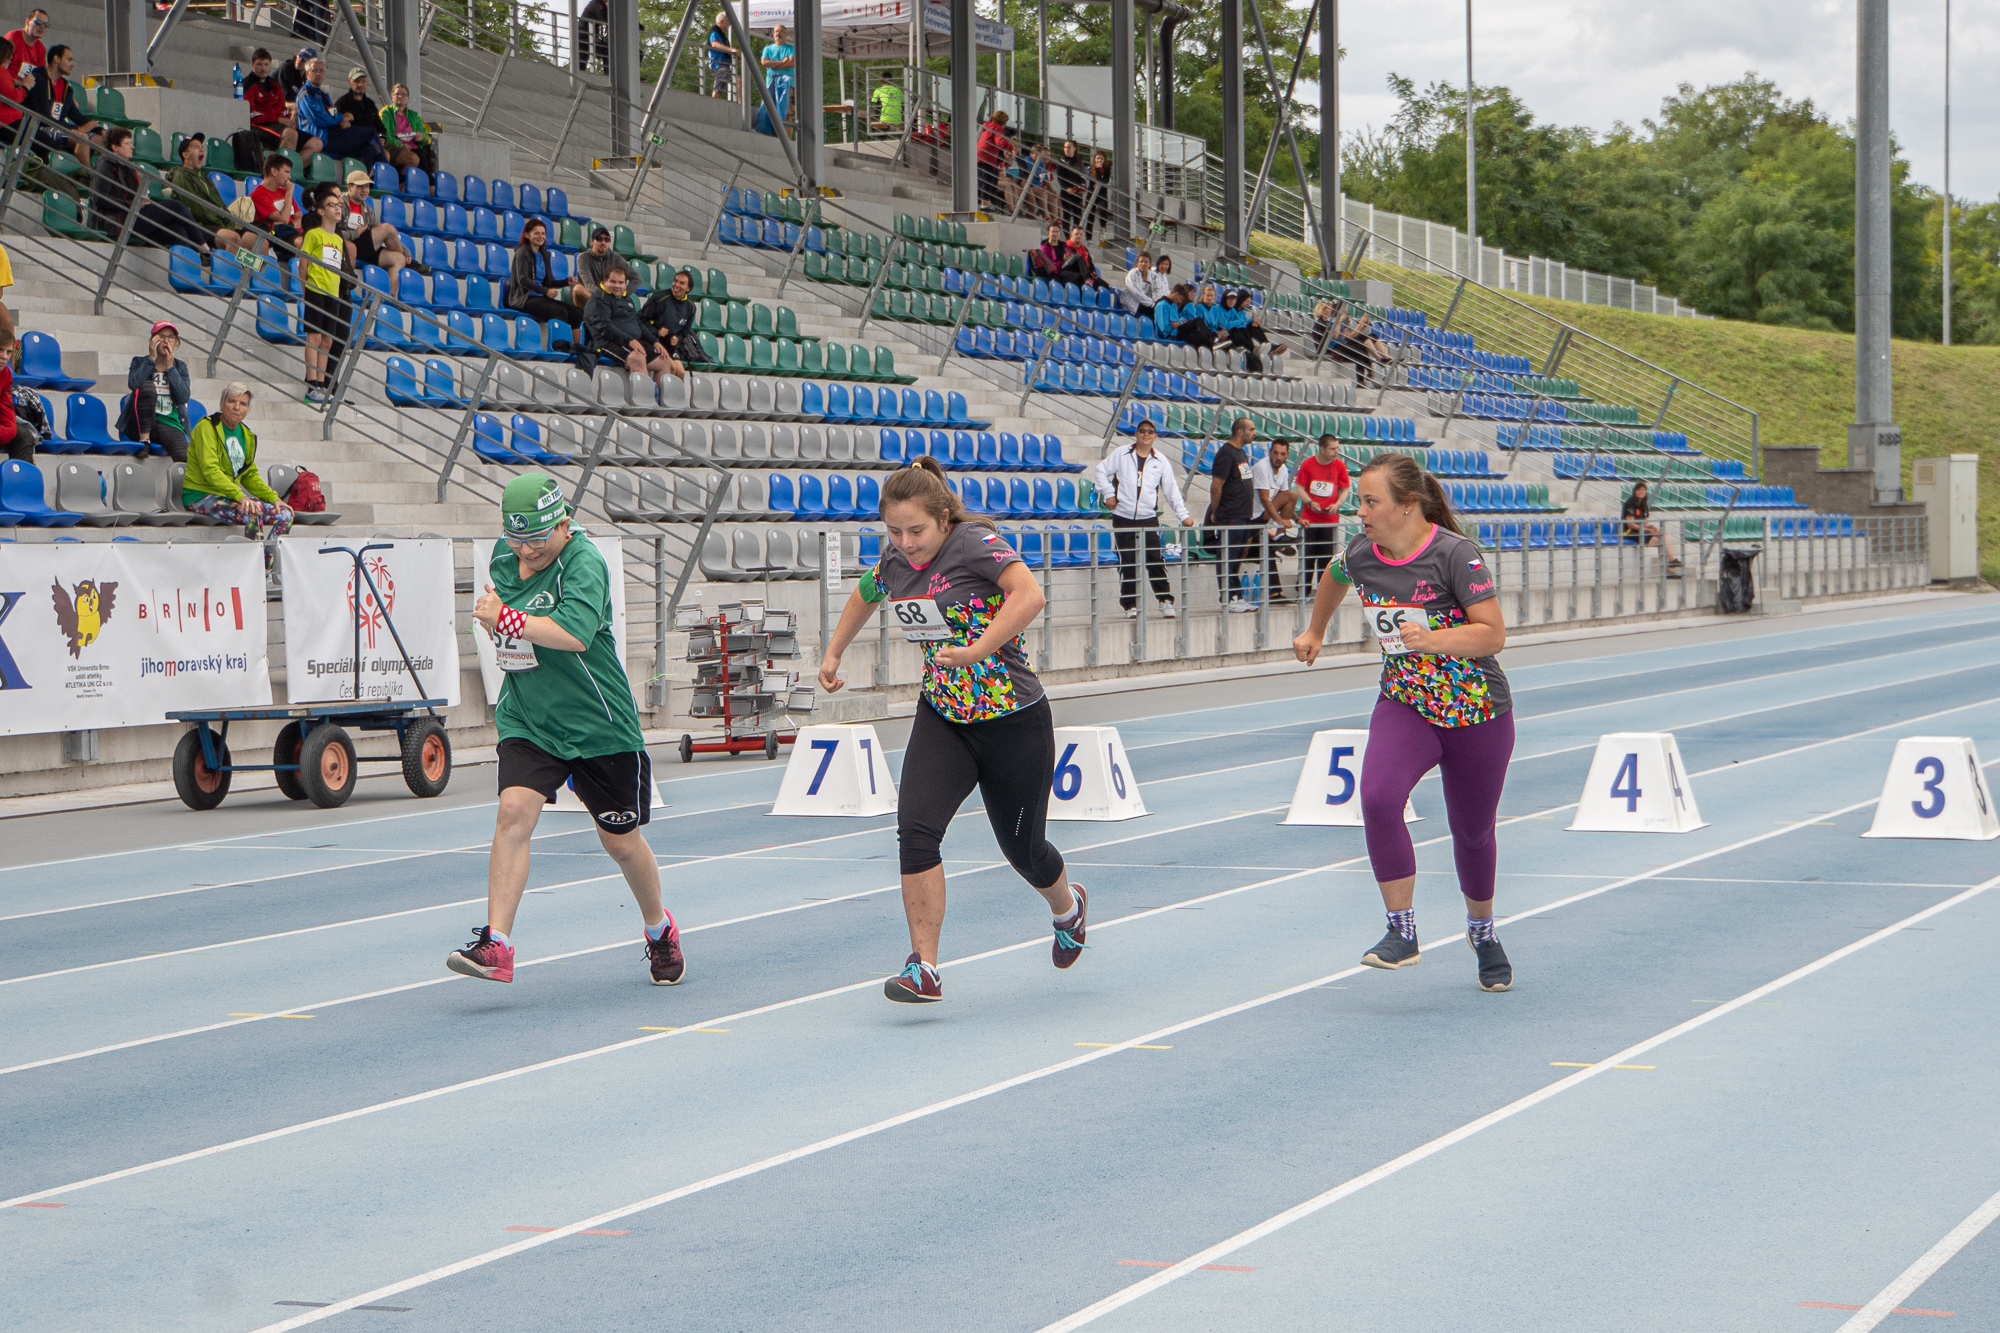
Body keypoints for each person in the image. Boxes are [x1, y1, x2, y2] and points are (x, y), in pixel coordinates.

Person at [815, 456, 1084, 1004]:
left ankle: (1068, 907)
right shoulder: (894, 560)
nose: (906, 542)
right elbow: (866, 593)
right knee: (915, 830)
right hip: (944, 716)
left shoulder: (976, 543)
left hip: (1013, 720)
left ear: (943, 519)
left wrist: (980, 647)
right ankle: (925, 967)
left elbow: (1030, 595)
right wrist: (834, 651)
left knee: (1024, 852)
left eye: (916, 531)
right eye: (894, 531)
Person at [1291, 452, 1514, 993]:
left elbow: (1493, 635)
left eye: (1370, 502)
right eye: (1358, 501)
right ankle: (1402, 929)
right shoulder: (1362, 553)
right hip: (1407, 703)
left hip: (1475, 711)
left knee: (1473, 832)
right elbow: (1332, 574)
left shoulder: (1455, 554)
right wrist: (1315, 630)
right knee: (1378, 797)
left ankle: (1482, 932)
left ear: (1408, 505)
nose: (1359, 512)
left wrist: (1432, 639)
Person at [451, 473, 684, 989]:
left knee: (620, 841)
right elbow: (504, 621)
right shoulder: (502, 555)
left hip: (597, 724)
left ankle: (658, 929)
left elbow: (575, 635)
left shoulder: (584, 562)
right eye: (516, 539)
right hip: (529, 716)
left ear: (562, 523)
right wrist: (496, 625)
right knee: (513, 812)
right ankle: (498, 945)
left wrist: (505, 619)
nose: (526, 551)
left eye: (536, 539)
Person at [1094, 417, 1193, 619]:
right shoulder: (1121, 454)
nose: (1145, 434)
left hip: (1148, 518)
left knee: (1155, 559)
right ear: (1136, 434)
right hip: (1123, 517)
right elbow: (1100, 472)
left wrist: (1183, 515)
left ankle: (1165, 601)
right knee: (1128, 561)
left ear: (1155, 437)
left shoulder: (1161, 461)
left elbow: (1171, 490)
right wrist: (1109, 494)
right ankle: (1130, 605)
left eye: (1149, 431)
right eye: (1142, 431)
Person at [183, 383, 293, 552]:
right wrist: (240, 496)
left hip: (229, 497)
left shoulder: (245, 434)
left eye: (243, 404)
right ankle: (252, 566)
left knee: (285, 514)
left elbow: (249, 474)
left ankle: (265, 563)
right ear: (222, 404)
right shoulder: (207, 427)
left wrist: (274, 498)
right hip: (200, 496)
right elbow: (210, 471)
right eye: (232, 401)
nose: (236, 407)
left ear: (248, 409)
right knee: (252, 510)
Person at [89, 127, 206, 250]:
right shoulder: (104, 165)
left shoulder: (129, 168)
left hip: (131, 217)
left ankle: (185, 267)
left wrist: (142, 201)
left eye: (132, 143)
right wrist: (134, 204)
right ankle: (205, 249)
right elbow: (100, 199)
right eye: (128, 143)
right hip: (113, 223)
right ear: (115, 147)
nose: (132, 147)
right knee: (177, 206)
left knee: (178, 231)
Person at [299, 183, 353, 405]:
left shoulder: (339, 240)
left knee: (328, 341)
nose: (337, 208)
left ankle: (322, 385)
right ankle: (312, 384)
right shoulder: (313, 234)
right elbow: (303, 265)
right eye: (332, 205)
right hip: (316, 290)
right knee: (315, 337)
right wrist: (306, 290)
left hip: (334, 294)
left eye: (338, 205)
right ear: (321, 211)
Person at [585, 264, 683, 381]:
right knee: (638, 358)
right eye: (613, 282)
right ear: (605, 281)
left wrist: (655, 342)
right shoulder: (599, 299)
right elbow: (605, 327)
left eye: (621, 283)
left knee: (664, 361)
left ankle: (662, 399)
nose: (617, 286)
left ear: (625, 284)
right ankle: (643, 398)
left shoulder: (627, 299)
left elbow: (638, 323)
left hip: (630, 341)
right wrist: (630, 341)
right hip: (606, 342)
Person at [116, 320, 193, 463]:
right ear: (152, 340)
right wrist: (151, 359)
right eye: (161, 336)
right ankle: (145, 440)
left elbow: (183, 397)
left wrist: (170, 368)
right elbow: (133, 384)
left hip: (169, 423)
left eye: (171, 337)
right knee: (147, 387)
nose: (166, 341)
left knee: (184, 459)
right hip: (140, 424)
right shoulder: (139, 362)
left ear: (176, 342)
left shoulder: (180, 367)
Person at [1206, 416, 1261, 611]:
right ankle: (1227, 598)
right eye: (1251, 429)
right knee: (1227, 555)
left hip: (1243, 515)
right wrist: (1215, 511)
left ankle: (1236, 595)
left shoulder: (1242, 453)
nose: (1255, 432)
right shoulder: (1226, 454)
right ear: (1240, 431)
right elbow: (1216, 485)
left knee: (1237, 556)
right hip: (1230, 514)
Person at [168, 135, 249, 253]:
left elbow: (221, 206)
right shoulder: (182, 176)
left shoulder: (206, 179)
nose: (201, 149)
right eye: (196, 147)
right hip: (198, 226)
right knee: (233, 238)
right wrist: (224, 225)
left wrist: (230, 225)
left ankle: (254, 269)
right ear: (185, 155)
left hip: (217, 224)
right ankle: (230, 271)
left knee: (256, 240)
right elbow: (198, 209)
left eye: (202, 147)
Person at [295, 58, 384, 164]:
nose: (318, 73)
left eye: (321, 70)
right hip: (318, 137)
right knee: (370, 133)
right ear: (307, 73)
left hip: (331, 136)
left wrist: (342, 120)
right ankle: (385, 167)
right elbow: (319, 119)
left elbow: (333, 112)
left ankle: (366, 179)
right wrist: (342, 117)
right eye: (314, 70)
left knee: (368, 150)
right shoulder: (306, 94)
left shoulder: (324, 95)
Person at [1293, 432, 1351, 585]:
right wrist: (1310, 502)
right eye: (1332, 449)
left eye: (1337, 448)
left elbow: (1345, 489)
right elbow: (1299, 488)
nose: (1336, 452)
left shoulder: (1340, 466)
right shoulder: (1308, 464)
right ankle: (1303, 592)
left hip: (1329, 520)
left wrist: (1337, 505)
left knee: (1326, 560)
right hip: (1309, 520)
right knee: (1307, 558)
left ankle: (1323, 591)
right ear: (1322, 449)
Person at [25, 44, 97, 163]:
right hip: (41, 128)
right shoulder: (39, 80)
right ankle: (87, 176)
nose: (72, 64)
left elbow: (75, 115)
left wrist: (99, 129)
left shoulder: (65, 87)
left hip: (60, 128)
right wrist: (76, 128)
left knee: (101, 139)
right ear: (56, 59)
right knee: (82, 137)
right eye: (69, 59)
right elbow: (44, 118)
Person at [338, 170, 414, 278]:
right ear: (350, 187)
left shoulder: (367, 209)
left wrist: (405, 252)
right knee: (387, 228)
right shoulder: (339, 203)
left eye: (367, 187)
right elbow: (334, 231)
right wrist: (355, 233)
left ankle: (388, 295)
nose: (365, 190)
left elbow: (384, 233)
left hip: (365, 247)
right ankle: (411, 264)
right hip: (349, 244)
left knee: (399, 259)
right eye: (360, 187)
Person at [507, 216, 574, 326]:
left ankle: (576, 343)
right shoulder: (522, 252)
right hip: (525, 298)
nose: (541, 236)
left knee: (576, 313)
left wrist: (567, 281)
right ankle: (559, 343)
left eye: (543, 234)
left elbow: (549, 282)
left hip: (540, 297)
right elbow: (522, 279)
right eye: (536, 233)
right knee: (560, 312)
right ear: (527, 235)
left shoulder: (544, 254)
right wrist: (545, 291)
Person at [1253, 437, 1297, 601]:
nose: (1278, 457)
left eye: (1282, 454)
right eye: (1275, 453)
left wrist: (1298, 519)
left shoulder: (1284, 469)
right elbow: (1265, 499)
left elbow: (1285, 499)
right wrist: (1279, 521)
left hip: (1266, 518)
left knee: (1291, 495)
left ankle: (1274, 592)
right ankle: (1279, 536)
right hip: (1253, 517)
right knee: (1291, 494)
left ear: (1287, 455)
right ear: (1270, 452)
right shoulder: (1262, 468)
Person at [639, 267, 706, 365]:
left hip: (672, 347)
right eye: (675, 281)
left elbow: (685, 332)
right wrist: (657, 332)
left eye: (682, 283)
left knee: (680, 371)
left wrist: (677, 338)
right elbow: (641, 319)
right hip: (653, 342)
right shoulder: (658, 297)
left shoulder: (690, 306)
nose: (676, 285)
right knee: (672, 367)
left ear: (688, 288)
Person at [1621, 480, 1683, 575]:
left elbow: (1645, 522)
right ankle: (1671, 559)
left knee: (1662, 539)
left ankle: (1667, 571)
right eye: (1639, 490)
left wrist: (1651, 527)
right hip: (1631, 533)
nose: (1641, 492)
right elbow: (1630, 524)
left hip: (1641, 531)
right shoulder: (1630, 503)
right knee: (1662, 535)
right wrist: (1646, 529)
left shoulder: (1644, 504)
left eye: (1643, 490)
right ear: (1635, 491)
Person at [241, 48, 295, 152]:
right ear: (252, 65)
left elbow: (282, 109)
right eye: (259, 64)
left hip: (275, 124)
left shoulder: (274, 85)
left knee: (315, 142)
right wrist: (278, 119)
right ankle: (279, 166)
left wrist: (287, 120)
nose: (263, 68)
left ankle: (287, 166)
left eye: (266, 64)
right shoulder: (247, 85)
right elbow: (250, 115)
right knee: (290, 134)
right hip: (256, 126)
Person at [249, 153, 302, 250]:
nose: (289, 176)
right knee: (302, 243)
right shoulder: (259, 194)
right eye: (286, 172)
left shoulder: (283, 192)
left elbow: (299, 217)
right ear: (273, 171)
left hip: (296, 232)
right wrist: (289, 193)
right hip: (279, 236)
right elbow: (283, 220)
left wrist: (291, 225)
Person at [379, 82, 435, 175]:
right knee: (413, 158)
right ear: (392, 97)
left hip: (416, 148)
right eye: (397, 94)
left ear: (408, 98)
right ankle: (401, 182)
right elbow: (386, 135)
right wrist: (401, 145)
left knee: (431, 185)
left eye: (403, 94)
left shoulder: (414, 115)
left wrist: (422, 137)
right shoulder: (386, 113)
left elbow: (426, 137)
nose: (400, 96)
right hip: (396, 146)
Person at [0, 327, 36, 462]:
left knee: (24, 435)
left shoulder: (5, 374)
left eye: (8, 352)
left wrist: (5, 432)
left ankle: (25, 481)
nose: (4, 356)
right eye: (0, 350)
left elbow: (7, 415)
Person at [3, 10, 48, 106]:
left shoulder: (41, 48)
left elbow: (41, 77)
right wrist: (23, 84)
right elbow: (1, 71)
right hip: (8, 88)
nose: (42, 27)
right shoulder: (13, 38)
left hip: (27, 90)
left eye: (46, 25)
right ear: (27, 21)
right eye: (38, 22)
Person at [756, 24, 795, 135]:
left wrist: (773, 64)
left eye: (781, 31)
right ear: (773, 34)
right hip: (771, 84)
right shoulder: (767, 49)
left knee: (788, 113)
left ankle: (787, 139)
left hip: (788, 84)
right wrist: (783, 63)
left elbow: (792, 63)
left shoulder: (790, 48)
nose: (778, 33)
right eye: (776, 31)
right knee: (770, 111)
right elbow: (764, 63)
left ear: (786, 35)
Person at [569, 225, 617, 308]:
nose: (603, 242)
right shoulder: (584, 258)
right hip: (590, 296)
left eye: (607, 240)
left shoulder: (612, 259)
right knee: (578, 289)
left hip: (605, 297)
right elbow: (589, 285)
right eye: (599, 239)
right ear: (591, 241)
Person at [333, 67, 382, 147]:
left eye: (363, 81)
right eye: (356, 81)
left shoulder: (370, 103)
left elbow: (380, 126)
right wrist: (343, 119)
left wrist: (383, 137)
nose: (360, 84)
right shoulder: (341, 103)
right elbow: (333, 121)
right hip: (354, 144)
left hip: (374, 142)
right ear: (349, 82)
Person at [1154, 284, 1214, 349]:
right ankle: (1212, 336)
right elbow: (1164, 329)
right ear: (1176, 294)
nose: (1180, 301)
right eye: (1180, 299)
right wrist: (1178, 323)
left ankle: (1209, 347)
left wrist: (1180, 323)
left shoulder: (1173, 305)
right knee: (1197, 321)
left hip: (1177, 331)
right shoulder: (1162, 305)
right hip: (1170, 334)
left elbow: (1179, 321)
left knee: (1199, 337)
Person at [974, 110, 1009, 211]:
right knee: (988, 181)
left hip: (979, 155)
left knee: (988, 180)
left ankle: (986, 203)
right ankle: (985, 204)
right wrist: (1009, 146)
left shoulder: (986, 126)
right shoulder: (997, 128)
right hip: (988, 158)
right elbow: (999, 141)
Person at [1054, 138, 1086, 231]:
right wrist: (1066, 188)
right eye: (1065, 147)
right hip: (1066, 192)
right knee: (1066, 216)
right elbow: (1060, 177)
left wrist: (1082, 188)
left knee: (1077, 216)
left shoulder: (1079, 162)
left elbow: (1083, 177)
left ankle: (1076, 235)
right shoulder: (1062, 160)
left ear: (1074, 148)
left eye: (1069, 147)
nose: (1066, 149)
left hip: (1076, 192)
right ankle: (1067, 238)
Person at [1121, 250, 1159, 318]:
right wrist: (1151, 304)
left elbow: (1157, 291)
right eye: (1141, 261)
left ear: (1150, 264)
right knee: (1154, 311)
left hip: (1145, 302)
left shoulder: (1152, 275)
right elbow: (1135, 293)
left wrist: (1157, 302)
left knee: (1161, 310)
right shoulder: (1132, 274)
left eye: (1146, 262)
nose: (1143, 264)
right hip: (1131, 301)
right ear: (1137, 264)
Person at [707, 13, 737, 99]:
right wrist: (730, 50)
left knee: (718, 91)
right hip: (718, 65)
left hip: (722, 65)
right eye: (728, 22)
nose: (729, 24)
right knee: (738, 81)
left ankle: (713, 106)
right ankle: (741, 104)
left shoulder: (720, 34)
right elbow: (714, 44)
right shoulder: (715, 32)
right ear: (721, 21)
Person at [1086, 149, 1111, 238]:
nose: (1099, 160)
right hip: (1091, 193)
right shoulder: (1091, 168)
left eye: (1101, 159)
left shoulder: (1106, 169)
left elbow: (1105, 180)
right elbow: (1092, 179)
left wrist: (1101, 170)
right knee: (1090, 216)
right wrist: (1097, 171)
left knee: (1103, 210)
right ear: (1094, 159)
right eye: (1097, 158)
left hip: (1102, 194)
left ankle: (1103, 229)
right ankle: (1089, 238)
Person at [868, 67, 902, 132]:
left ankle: (877, 138)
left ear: (881, 82)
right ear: (891, 81)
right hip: (898, 120)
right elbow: (902, 104)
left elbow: (876, 107)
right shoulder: (898, 90)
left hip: (884, 120)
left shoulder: (878, 91)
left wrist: (876, 118)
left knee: (873, 125)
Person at [578, 0, 608, 74]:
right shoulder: (598, 4)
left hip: (584, 35)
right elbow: (604, 19)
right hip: (586, 35)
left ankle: (579, 72)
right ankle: (608, 73)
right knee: (606, 50)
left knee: (582, 57)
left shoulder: (596, 4)